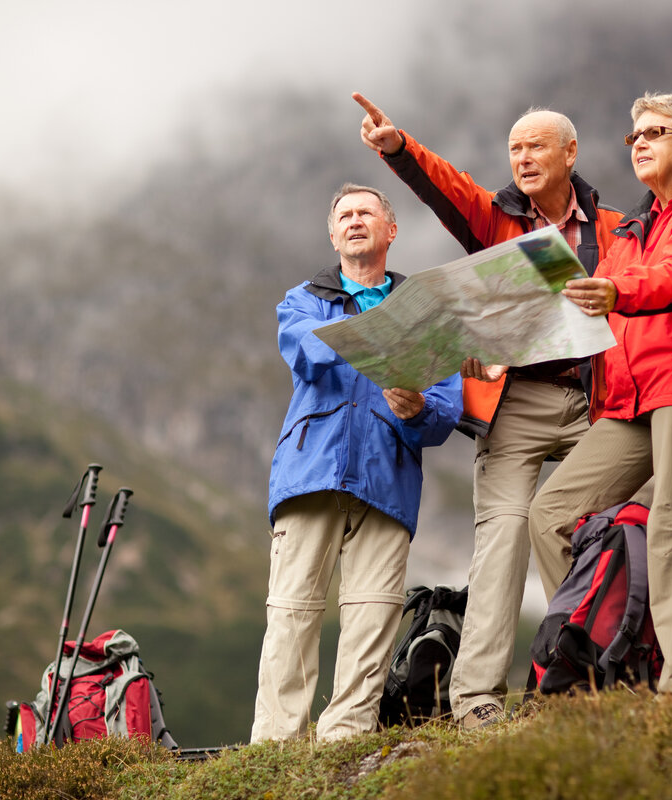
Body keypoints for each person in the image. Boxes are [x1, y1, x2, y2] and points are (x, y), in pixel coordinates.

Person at [353, 91, 621, 729]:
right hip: (519, 401)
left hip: (597, 396)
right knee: (500, 535)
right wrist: (398, 147)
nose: (523, 158)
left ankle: (587, 675)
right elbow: (446, 188)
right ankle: (476, 700)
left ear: (569, 153)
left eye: (535, 146)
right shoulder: (496, 216)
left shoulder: (615, 228)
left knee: (592, 527)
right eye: (515, 149)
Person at [527, 92, 672, 696]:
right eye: (632, 135)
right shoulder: (636, 223)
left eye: (653, 132)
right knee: (552, 515)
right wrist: (501, 351)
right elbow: (582, 313)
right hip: (623, 401)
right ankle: (598, 654)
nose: (638, 142)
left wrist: (613, 289)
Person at [251, 183, 462, 742]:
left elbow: (445, 413)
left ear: (391, 231)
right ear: (332, 233)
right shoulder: (303, 299)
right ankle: (277, 741)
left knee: (372, 615)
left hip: (387, 476)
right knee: (293, 611)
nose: (354, 220)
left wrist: (417, 409)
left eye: (366, 212)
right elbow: (310, 352)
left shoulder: (427, 314)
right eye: (344, 214)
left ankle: (346, 735)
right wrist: (390, 330)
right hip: (310, 471)